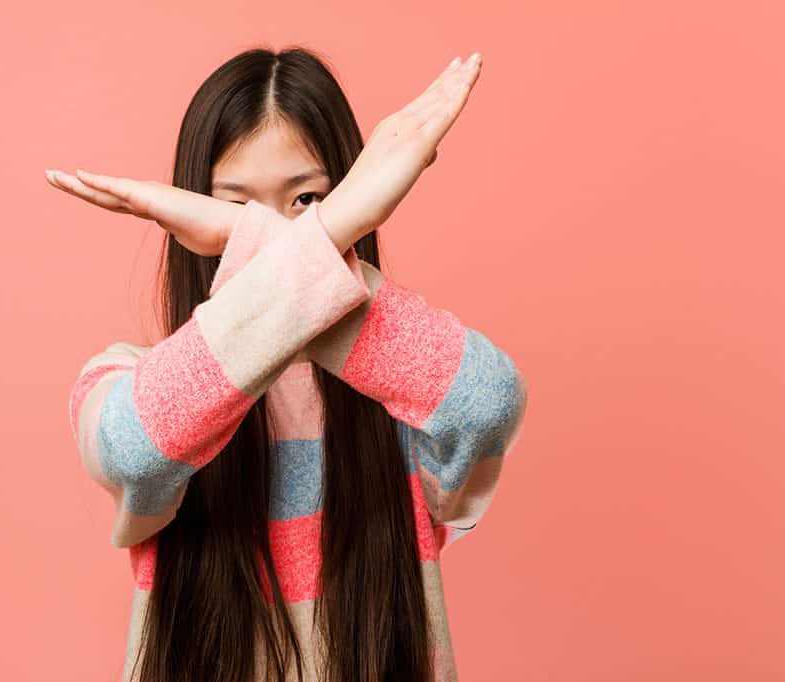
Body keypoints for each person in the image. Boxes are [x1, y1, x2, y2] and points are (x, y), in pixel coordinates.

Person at [47, 47, 528, 682]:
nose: (272, 232)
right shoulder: (127, 379)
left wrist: (247, 240)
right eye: (236, 209)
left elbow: (487, 403)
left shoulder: (401, 395)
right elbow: (133, 452)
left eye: (308, 201)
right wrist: (333, 228)